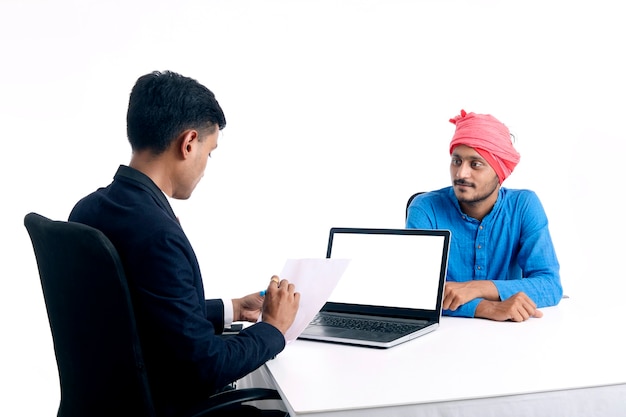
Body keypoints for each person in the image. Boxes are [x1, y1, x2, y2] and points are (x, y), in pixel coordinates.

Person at [69, 70, 300, 417]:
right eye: (209, 152)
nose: (206, 166)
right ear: (189, 143)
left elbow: (134, 314)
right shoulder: (158, 233)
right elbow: (204, 367)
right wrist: (273, 329)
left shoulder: (88, 210)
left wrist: (234, 308)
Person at [406, 109, 562, 322]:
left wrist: (477, 288)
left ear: (499, 172)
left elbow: (550, 285)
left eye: (475, 164)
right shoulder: (425, 208)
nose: (461, 174)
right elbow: (415, 290)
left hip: (514, 340)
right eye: (456, 161)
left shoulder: (524, 206)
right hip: (440, 339)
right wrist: (487, 308)